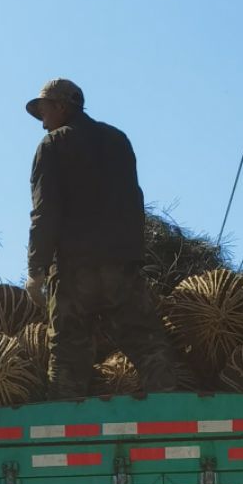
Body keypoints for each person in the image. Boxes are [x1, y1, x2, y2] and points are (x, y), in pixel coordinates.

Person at [25, 77, 180, 399]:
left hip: (73, 271)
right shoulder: (117, 140)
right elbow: (134, 201)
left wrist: (36, 270)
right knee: (148, 343)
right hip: (120, 266)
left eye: (44, 112)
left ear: (62, 107)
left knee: (68, 354)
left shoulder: (52, 146)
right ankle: (169, 410)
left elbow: (45, 212)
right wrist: (133, 256)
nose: (42, 123)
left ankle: (66, 426)